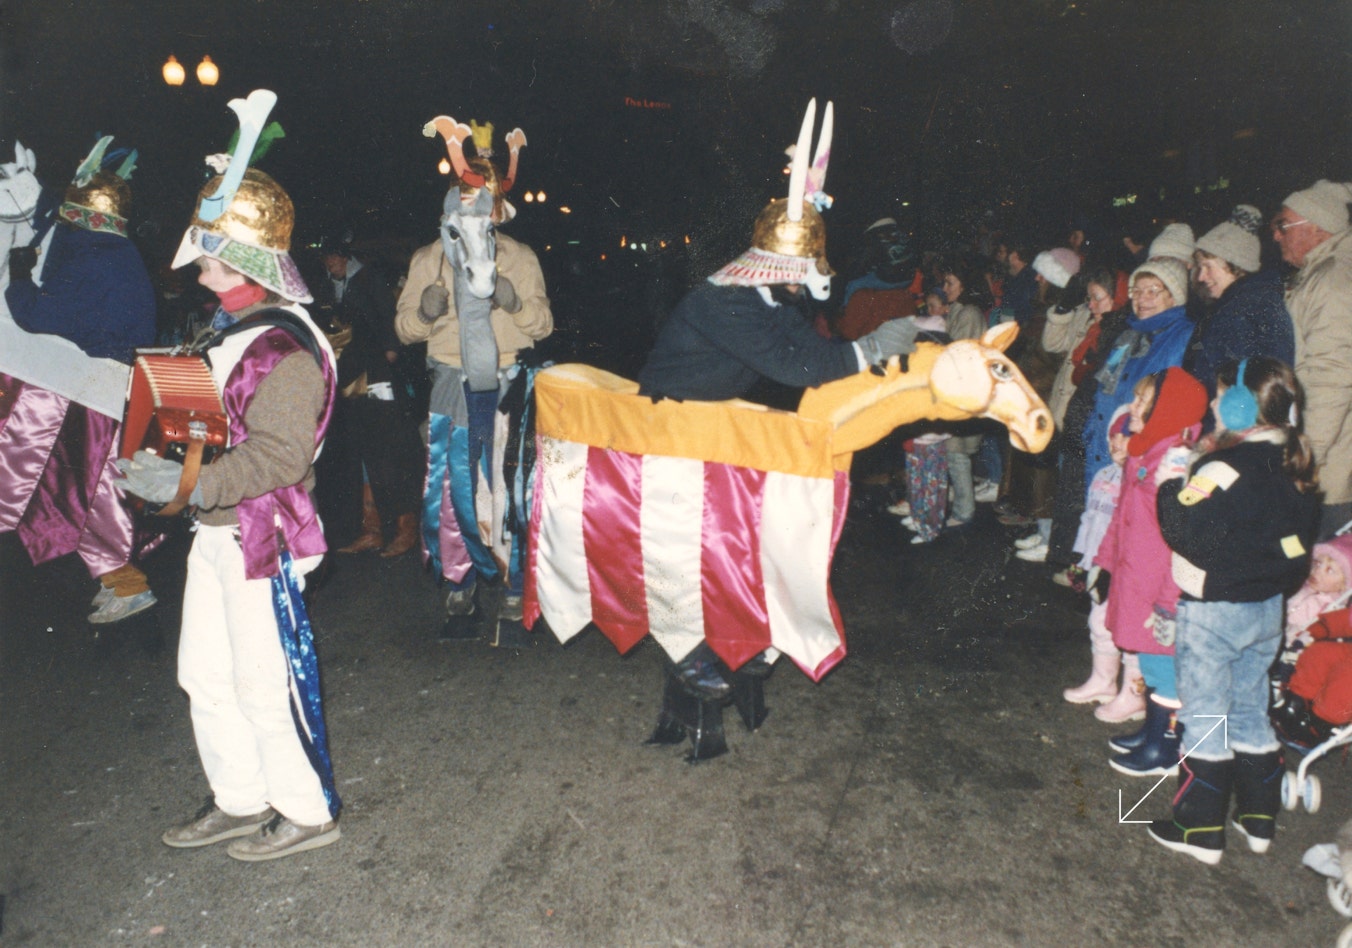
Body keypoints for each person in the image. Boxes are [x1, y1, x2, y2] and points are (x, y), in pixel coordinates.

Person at [117, 93, 342, 861]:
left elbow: (281, 459)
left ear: (244, 253)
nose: (194, 253)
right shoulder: (221, 328)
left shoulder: (285, 347)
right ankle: (242, 798)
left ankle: (305, 811)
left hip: (262, 536)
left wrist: (187, 486)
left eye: (210, 242)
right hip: (215, 529)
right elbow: (206, 429)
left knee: (257, 681)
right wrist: (155, 454)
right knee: (202, 676)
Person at [1149, 357, 1320, 863]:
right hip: (1265, 612)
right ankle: (1259, 817)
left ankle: (1198, 829)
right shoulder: (1294, 468)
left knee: (1207, 717)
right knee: (1248, 709)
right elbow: (1294, 550)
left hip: (1214, 612)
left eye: (1222, 394)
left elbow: (1184, 530)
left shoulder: (1225, 467)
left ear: (1243, 405)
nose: (1215, 403)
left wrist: (1168, 481)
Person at [395, 117, 553, 641]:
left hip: (509, 383)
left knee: (508, 485)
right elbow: (404, 329)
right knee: (451, 482)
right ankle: (459, 585)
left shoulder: (522, 258)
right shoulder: (427, 258)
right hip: (450, 380)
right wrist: (423, 312)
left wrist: (512, 300)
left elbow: (543, 325)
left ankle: (513, 584)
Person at [3, 136, 159, 623]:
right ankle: (118, 579)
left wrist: (19, 278)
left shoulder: (92, 257)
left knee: (84, 491)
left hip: (91, 390)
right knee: (83, 489)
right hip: (105, 386)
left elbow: (36, 315)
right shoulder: (118, 251)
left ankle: (127, 582)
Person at [1094, 367, 1207, 778]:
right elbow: (1123, 516)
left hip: (1159, 590)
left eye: (1143, 402)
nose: (1133, 407)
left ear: (1168, 410)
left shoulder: (1175, 465)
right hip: (1134, 578)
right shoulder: (1144, 450)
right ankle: (1153, 731)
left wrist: (1167, 603)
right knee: (1153, 664)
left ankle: (1167, 748)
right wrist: (1104, 561)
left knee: (1167, 670)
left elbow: (1179, 544)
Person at [313, 237, 422, 558]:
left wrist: (388, 354)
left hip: (379, 375)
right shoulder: (334, 286)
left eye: (332, 259)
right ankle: (372, 528)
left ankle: (406, 528)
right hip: (351, 376)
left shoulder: (368, 279)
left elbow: (388, 320)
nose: (328, 265)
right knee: (362, 451)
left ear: (344, 256)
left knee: (392, 449)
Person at [1272, 180, 1352, 538]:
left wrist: (1306, 464)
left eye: (1284, 225)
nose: (1276, 236)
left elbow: (1330, 379)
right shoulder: (1321, 274)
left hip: (1330, 473)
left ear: (1317, 227)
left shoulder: (1334, 281)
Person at [1061, 407, 1132, 709]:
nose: (1117, 444)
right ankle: (1103, 681)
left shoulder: (1136, 481)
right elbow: (1089, 520)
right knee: (1098, 623)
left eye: (1125, 438)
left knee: (1121, 626)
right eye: (1113, 437)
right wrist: (1080, 557)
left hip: (1119, 569)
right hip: (1095, 563)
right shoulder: (1103, 475)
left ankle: (1133, 691)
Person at [1187, 205, 1294, 395]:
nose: (1202, 276)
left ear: (1236, 265)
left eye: (1208, 267)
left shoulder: (1246, 310)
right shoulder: (1234, 306)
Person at [934, 255, 989, 528]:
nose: (945, 288)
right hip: (956, 391)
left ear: (965, 285)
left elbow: (960, 351)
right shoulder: (957, 310)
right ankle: (958, 500)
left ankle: (964, 510)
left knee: (956, 455)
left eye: (950, 282)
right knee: (953, 453)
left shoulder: (968, 313)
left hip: (964, 392)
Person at [835, 217, 922, 341]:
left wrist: (849, 276)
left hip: (888, 281)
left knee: (853, 285)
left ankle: (844, 309)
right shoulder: (898, 232)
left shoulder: (874, 237)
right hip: (908, 278)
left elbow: (861, 265)